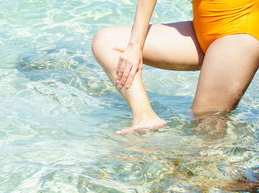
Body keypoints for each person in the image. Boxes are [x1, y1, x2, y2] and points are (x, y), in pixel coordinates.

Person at [92, 0, 259, 135]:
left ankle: (223, 172)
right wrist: (135, 46)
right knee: (106, 41)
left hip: (239, 35)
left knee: (205, 122)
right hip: (202, 30)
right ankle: (145, 117)